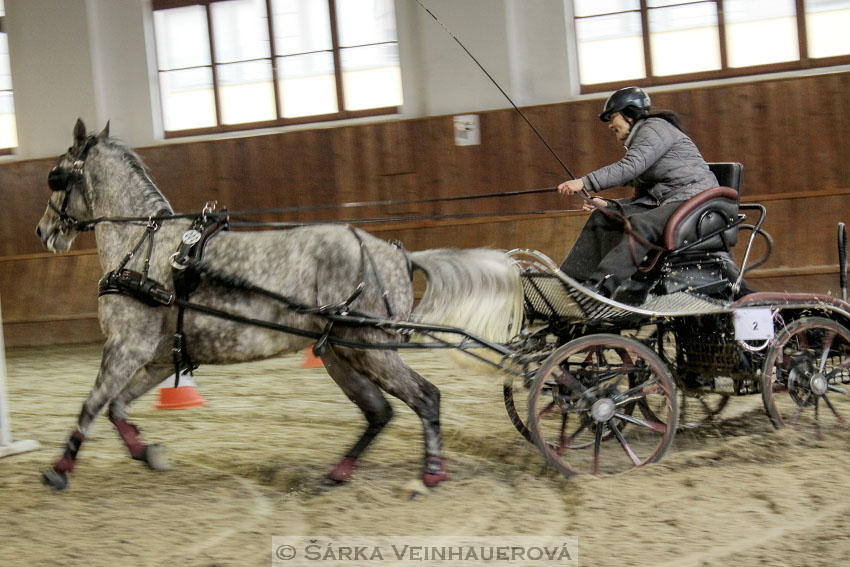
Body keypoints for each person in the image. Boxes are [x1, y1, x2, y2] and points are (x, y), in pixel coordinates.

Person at [557, 86, 718, 301]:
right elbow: (644, 197)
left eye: (613, 117)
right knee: (603, 216)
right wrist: (609, 205)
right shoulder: (642, 140)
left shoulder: (655, 128)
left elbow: (629, 167)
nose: (610, 125)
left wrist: (585, 182)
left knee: (642, 224)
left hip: (695, 199)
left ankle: (601, 286)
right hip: (668, 202)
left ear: (630, 114)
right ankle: (570, 283)